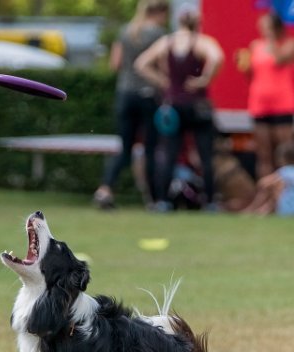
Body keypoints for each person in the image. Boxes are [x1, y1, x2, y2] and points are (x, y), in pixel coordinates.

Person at [135, 4, 224, 210]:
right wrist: (205, 79)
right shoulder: (202, 42)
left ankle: (163, 201)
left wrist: (163, 81)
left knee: (168, 152)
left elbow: (141, 63)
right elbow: (217, 57)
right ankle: (210, 201)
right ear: (197, 23)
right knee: (205, 154)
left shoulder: (167, 42)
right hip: (197, 105)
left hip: (173, 105)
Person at [93, 0, 169, 209]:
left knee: (124, 148)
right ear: (161, 12)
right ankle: (155, 200)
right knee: (151, 149)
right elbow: (163, 66)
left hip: (125, 94)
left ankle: (105, 189)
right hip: (148, 95)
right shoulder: (158, 34)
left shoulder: (126, 30)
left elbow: (114, 64)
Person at [236, 12, 294, 180]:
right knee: (264, 154)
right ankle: (265, 195)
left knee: (284, 152)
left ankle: (285, 196)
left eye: (267, 26)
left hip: (283, 104)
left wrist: (271, 40)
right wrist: (244, 66)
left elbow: (278, 59)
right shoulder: (256, 46)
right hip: (260, 104)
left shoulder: (288, 44)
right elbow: (252, 75)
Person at [244, 140, 294, 215]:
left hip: (286, 209)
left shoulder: (284, 171)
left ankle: (254, 209)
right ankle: (260, 210)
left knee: (275, 188)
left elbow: (263, 183)